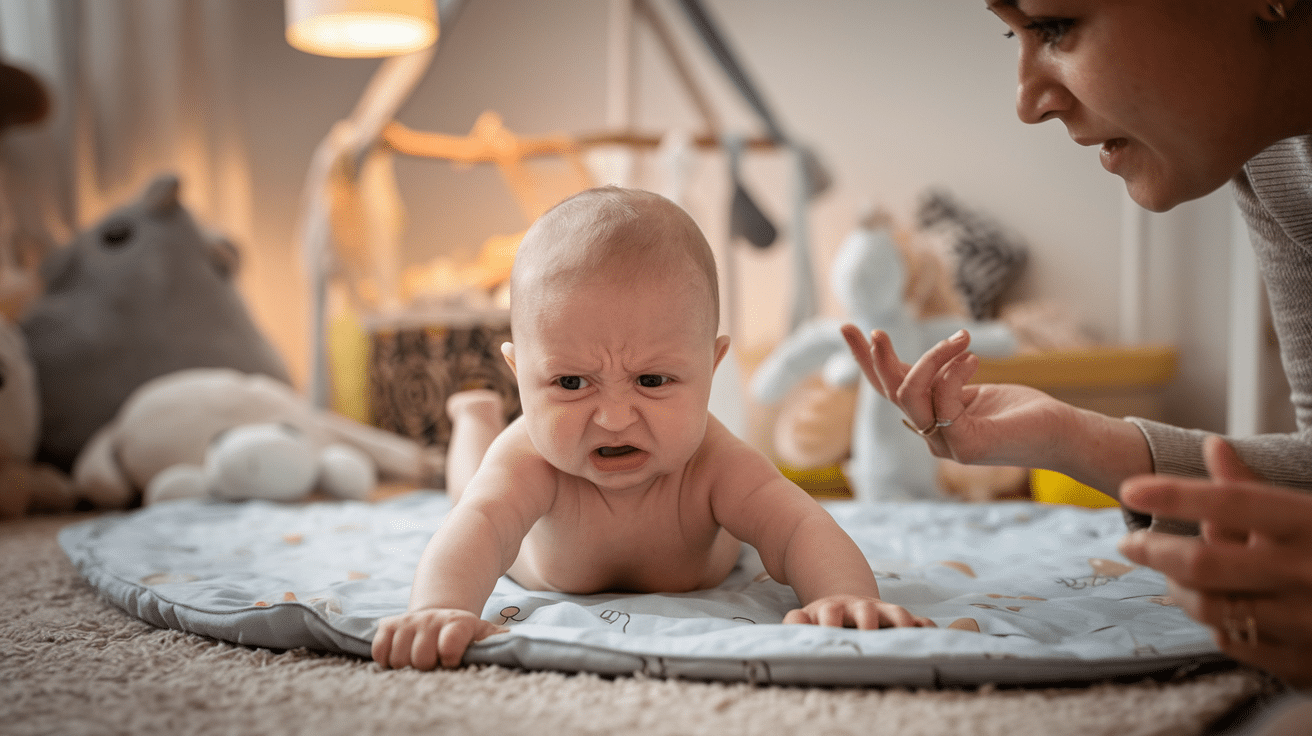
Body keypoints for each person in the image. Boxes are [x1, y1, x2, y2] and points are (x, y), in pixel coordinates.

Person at [842, 1, 1312, 689]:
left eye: (1054, 28)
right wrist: (1070, 439)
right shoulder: (1275, 155)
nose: (1029, 102)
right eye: (1015, 34)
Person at [373, 186, 933, 671]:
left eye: (653, 380)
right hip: (523, 538)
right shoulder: (531, 460)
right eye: (571, 384)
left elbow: (799, 528)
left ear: (710, 370)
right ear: (521, 374)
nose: (614, 418)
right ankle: (475, 416)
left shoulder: (716, 462)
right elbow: (476, 530)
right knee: (468, 490)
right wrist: (437, 611)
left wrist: (844, 597)